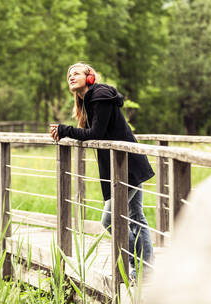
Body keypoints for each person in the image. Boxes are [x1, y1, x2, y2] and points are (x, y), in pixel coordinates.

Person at [50, 63, 155, 279]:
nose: (71, 77)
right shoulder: (89, 101)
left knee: (109, 220)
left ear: (89, 77)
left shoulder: (99, 96)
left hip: (127, 166)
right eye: (69, 74)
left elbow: (96, 132)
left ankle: (138, 266)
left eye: (76, 73)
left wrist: (65, 130)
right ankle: (144, 270)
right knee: (136, 216)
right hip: (123, 164)